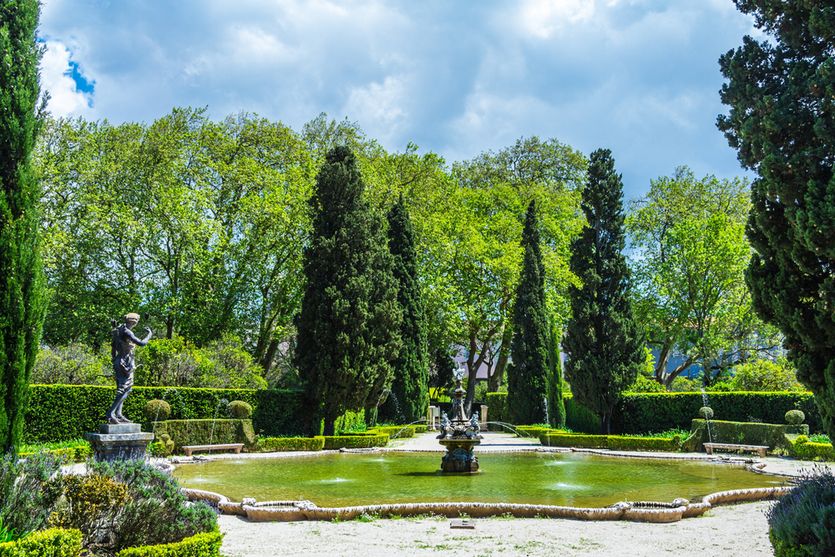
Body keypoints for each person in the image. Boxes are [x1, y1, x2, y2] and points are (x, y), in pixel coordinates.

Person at [105, 313, 152, 424]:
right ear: (134, 321)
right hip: (125, 363)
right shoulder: (127, 331)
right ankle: (111, 413)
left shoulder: (120, 329)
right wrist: (149, 334)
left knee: (124, 388)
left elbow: (114, 347)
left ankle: (118, 414)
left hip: (120, 361)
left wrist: (114, 360)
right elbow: (141, 343)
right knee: (126, 388)